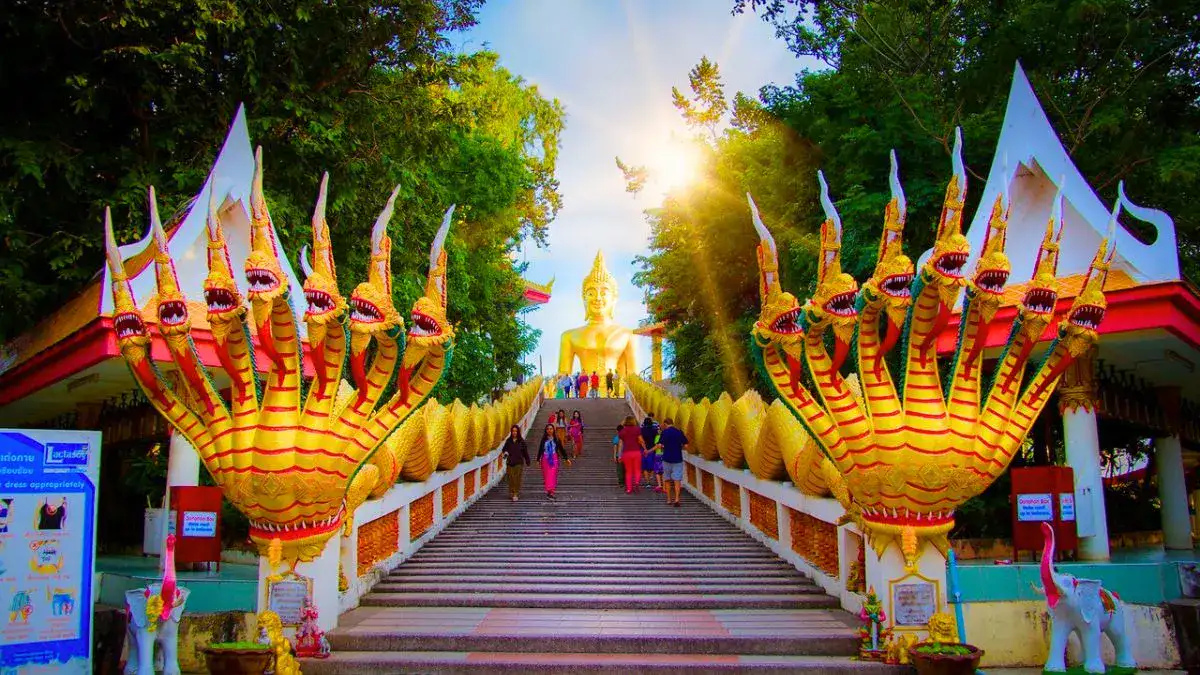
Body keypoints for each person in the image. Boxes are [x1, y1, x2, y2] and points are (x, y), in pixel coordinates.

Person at [653, 418, 689, 507]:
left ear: (665, 424)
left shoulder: (664, 432)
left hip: (667, 459)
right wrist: (679, 447)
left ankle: (669, 499)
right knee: (677, 480)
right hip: (677, 459)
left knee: (667, 479)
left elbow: (660, 445)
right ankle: (677, 499)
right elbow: (686, 445)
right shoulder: (679, 432)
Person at [537, 423, 568, 499]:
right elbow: (540, 449)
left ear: (553, 430)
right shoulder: (544, 439)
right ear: (546, 430)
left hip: (554, 459)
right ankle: (549, 491)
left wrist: (566, 458)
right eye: (548, 429)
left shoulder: (556, 439)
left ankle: (551, 491)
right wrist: (538, 459)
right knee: (547, 476)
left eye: (551, 429)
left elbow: (561, 449)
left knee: (553, 475)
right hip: (545, 459)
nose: (549, 430)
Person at [618, 415, 647, 494]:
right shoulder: (637, 429)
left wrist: (619, 455)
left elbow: (620, 444)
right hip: (636, 452)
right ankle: (637, 483)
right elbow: (641, 441)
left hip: (626, 453)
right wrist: (645, 449)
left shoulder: (622, 431)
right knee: (637, 469)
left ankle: (629, 489)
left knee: (628, 471)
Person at [501, 425, 530, 502]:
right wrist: (505, 452)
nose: (514, 432)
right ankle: (512, 492)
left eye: (516, 431)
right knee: (510, 478)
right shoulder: (508, 441)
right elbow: (504, 449)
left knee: (517, 479)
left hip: (519, 462)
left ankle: (515, 493)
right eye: (513, 431)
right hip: (510, 462)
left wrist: (527, 460)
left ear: (518, 432)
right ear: (511, 432)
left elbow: (525, 452)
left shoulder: (521, 441)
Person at [640, 415, 659, 489]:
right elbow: (657, 440)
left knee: (644, 467)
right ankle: (651, 476)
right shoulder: (655, 431)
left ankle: (647, 483)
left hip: (643, 450)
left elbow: (640, 440)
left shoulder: (641, 430)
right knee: (652, 465)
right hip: (652, 450)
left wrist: (644, 449)